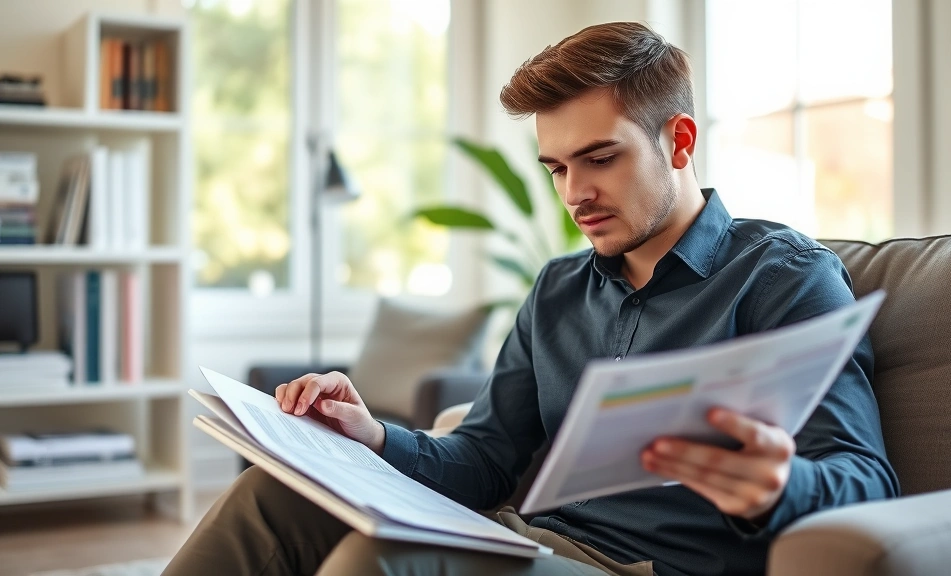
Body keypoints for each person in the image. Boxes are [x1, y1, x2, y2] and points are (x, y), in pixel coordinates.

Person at [165, 21, 898, 576]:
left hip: (642, 569)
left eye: (601, 159)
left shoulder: (782, 277)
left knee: (376, 561)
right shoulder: (557, 290)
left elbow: (866, 479)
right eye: (556, 167)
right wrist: (374, 437)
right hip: (523, 538)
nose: (575, 193)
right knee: (270, 497)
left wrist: (778, 483)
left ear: (679, 141)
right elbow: (483, 456)